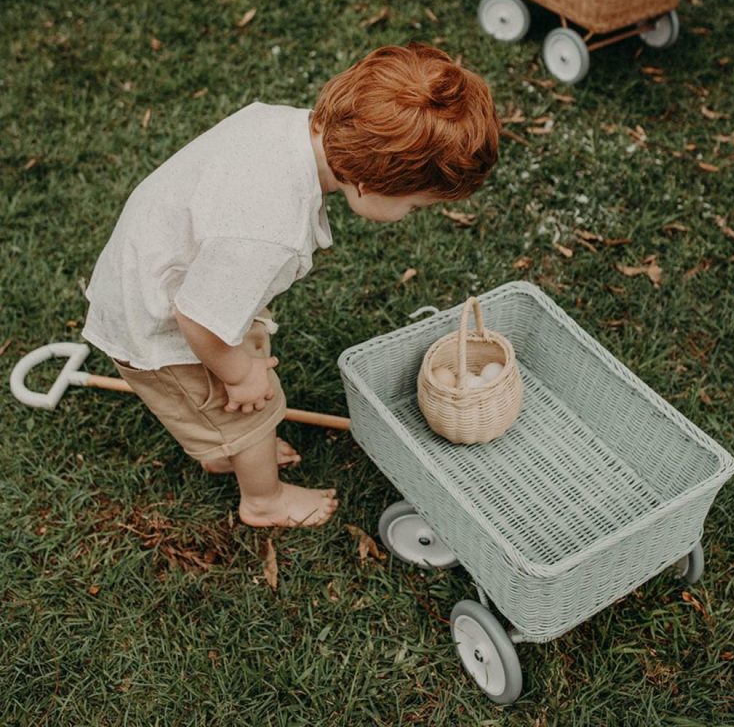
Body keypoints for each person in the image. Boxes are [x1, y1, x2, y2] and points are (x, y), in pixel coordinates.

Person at [82, 42, 500, 528]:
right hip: (160, 321)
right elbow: (197, 317)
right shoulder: (267, 228)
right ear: (368, 183)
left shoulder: (289, 127)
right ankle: (263, 501)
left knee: (238, 386)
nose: (412, 216)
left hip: (167, 271)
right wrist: (240, 376)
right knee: (254, 406)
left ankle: (227, 449)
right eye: (415, 205)